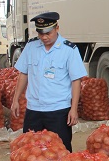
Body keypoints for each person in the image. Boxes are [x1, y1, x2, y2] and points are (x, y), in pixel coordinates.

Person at [11, 12, 87, 152]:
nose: (44, 37)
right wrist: (16, 99)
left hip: (58, 110)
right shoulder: (31, 47)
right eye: (40, 33)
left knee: (61, 151)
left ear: (57, 28)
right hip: (34, 110)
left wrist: (74, 109)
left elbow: (76, 81)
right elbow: (23, 74)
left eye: (48, 33)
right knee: (30, 151)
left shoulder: (69, 50)